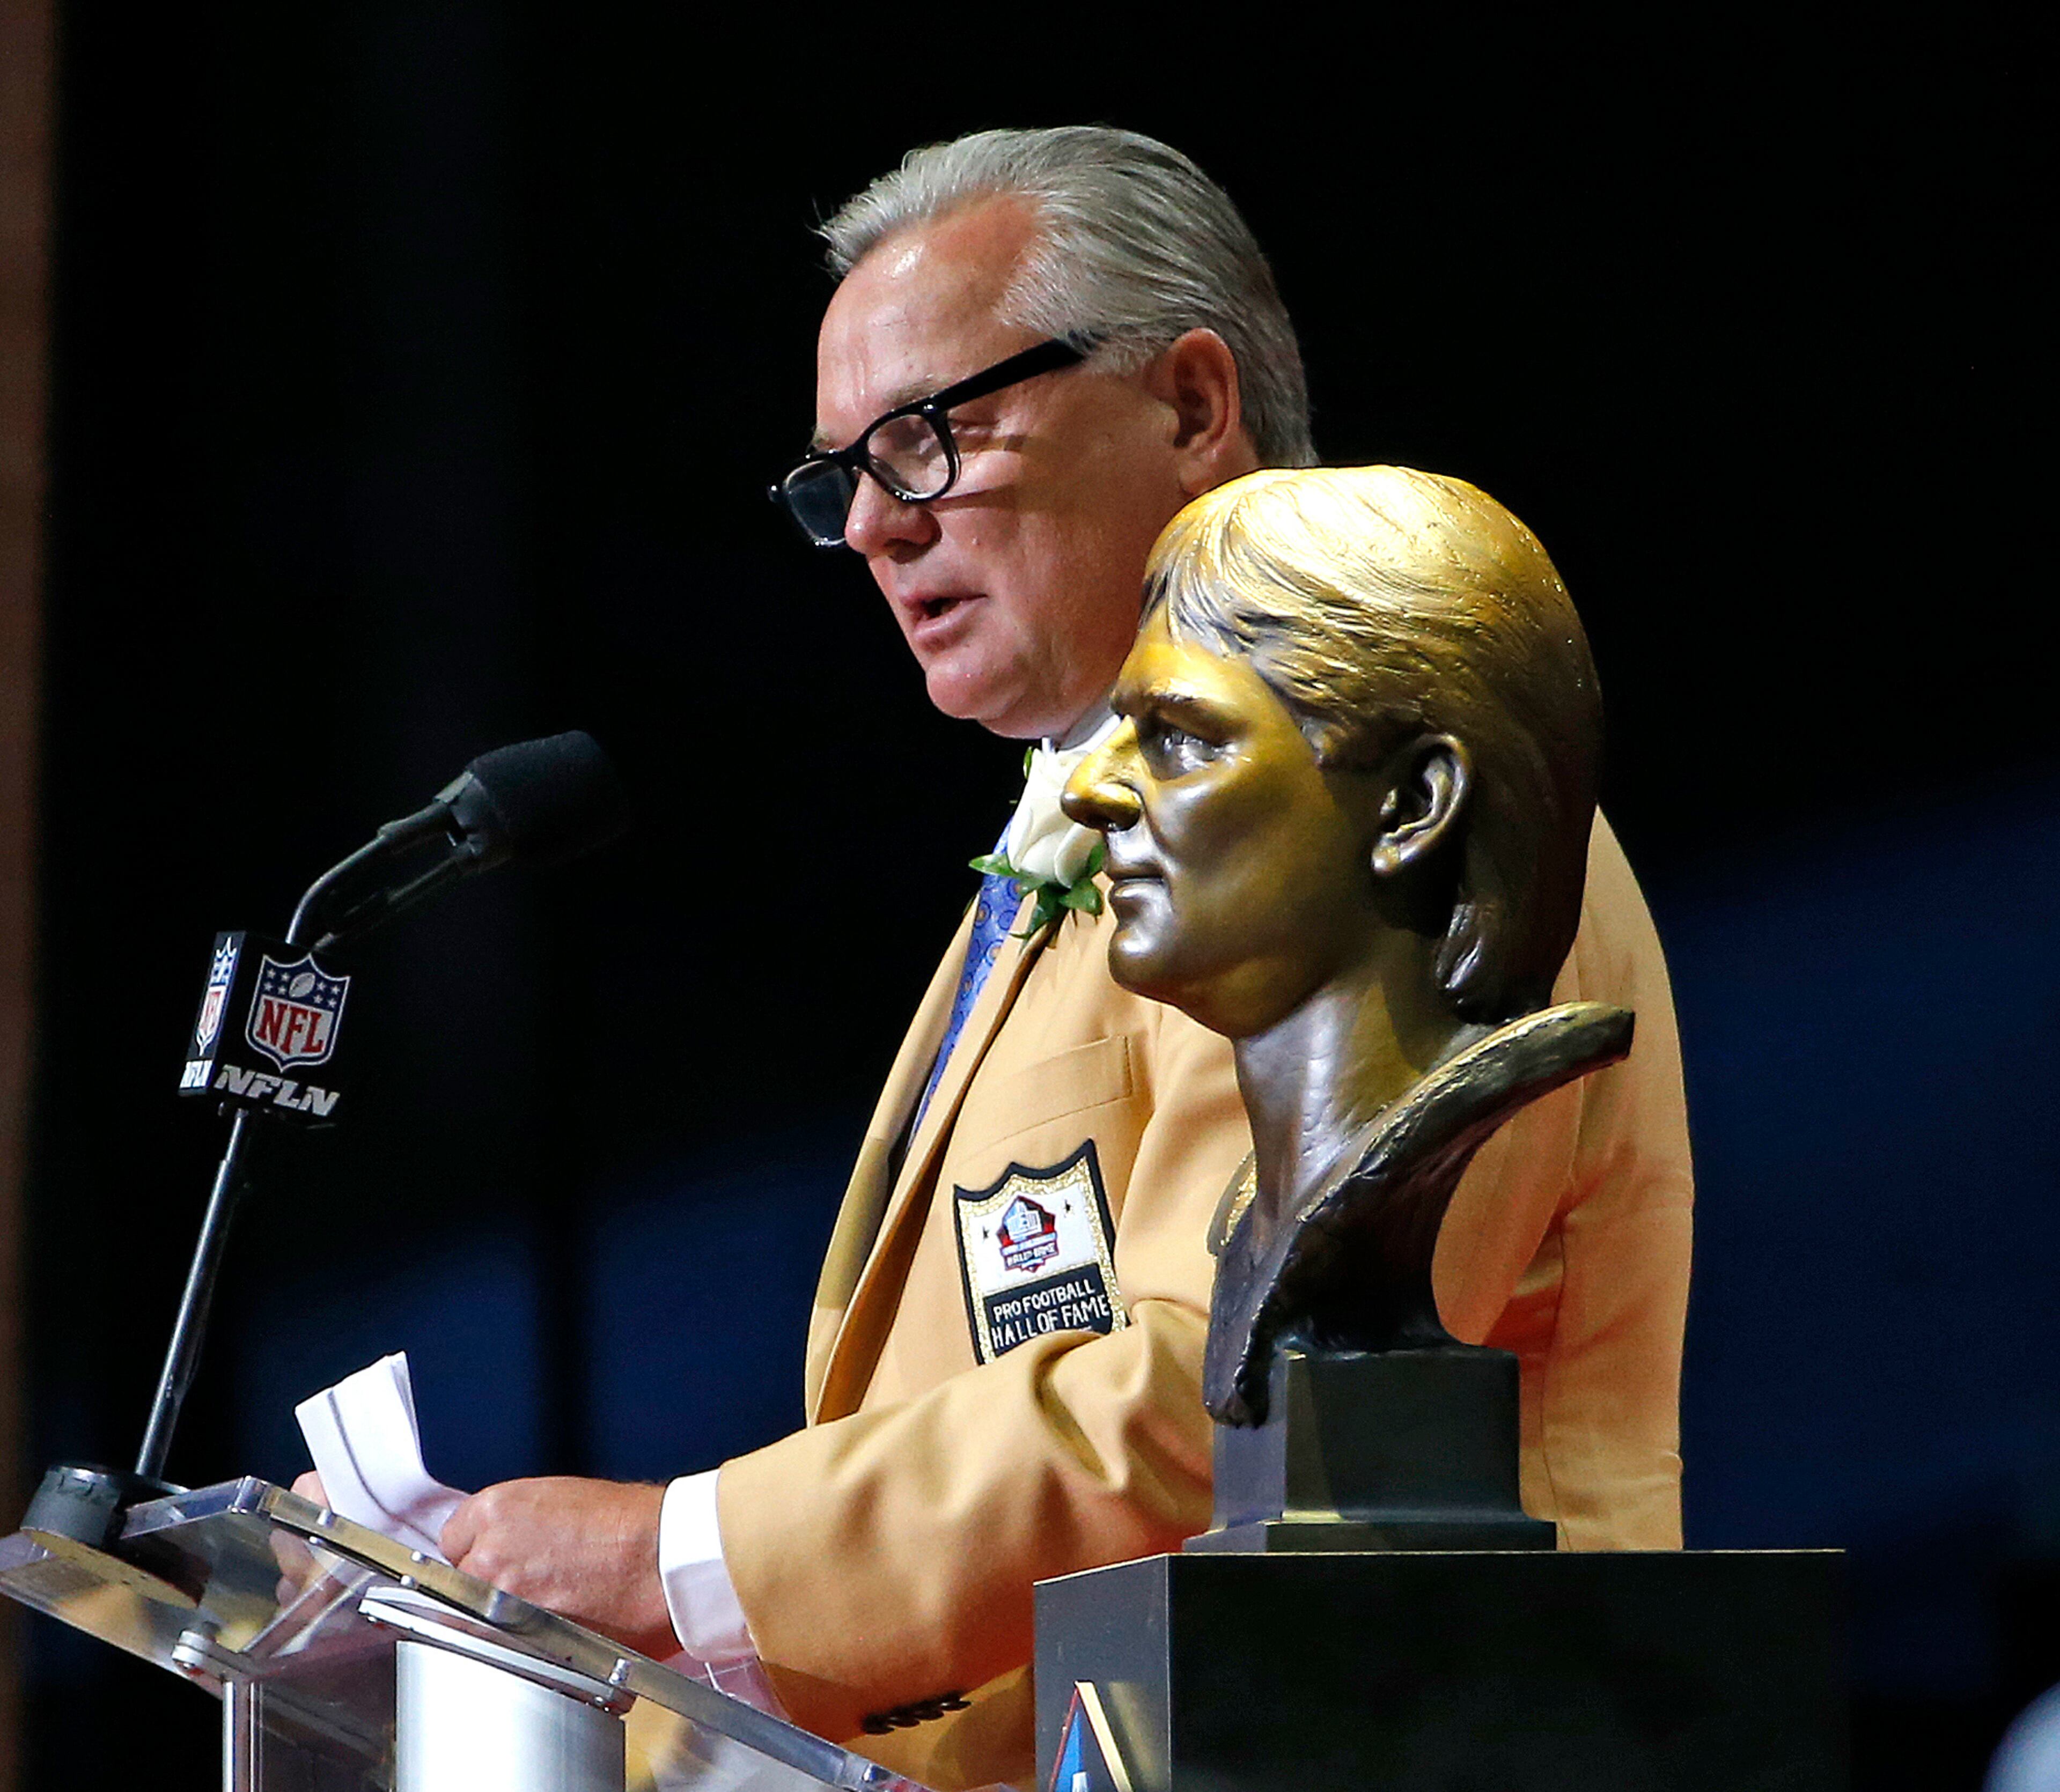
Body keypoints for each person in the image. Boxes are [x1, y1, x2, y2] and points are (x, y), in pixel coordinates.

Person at [409, 129, 1694, 1792]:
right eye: (840, 476)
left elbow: (1231, 1412)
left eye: (929, 437)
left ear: (1189, 405)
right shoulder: (1070, 859)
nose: (872, 526)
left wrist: (678, 1556)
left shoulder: (1404, 818)